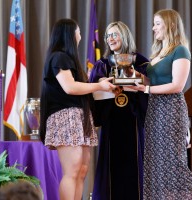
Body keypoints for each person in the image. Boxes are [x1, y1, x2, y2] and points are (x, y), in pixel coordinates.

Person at [39, 18, 116, 200]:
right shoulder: (59, 57)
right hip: (65, 116)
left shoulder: (68, 59)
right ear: (70, 34)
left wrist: (98, 83)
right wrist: (99, 87)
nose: (81, 36)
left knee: (82, 170)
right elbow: (70, 87)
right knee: (72, 170)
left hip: (79, 116)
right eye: (79, 31)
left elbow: (79, 86)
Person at [129, 9, 192, 199]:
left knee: (173, 162)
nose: (153, 28)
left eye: (157, 23)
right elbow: (152, 81)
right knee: (155, 161)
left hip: (171, 110)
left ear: (171, 25)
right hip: (155, 110)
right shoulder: (158, 52)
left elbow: (177, 85)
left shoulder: (180, 50)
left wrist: (146, 90)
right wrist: (133, 76)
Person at [89, 21, 149, 200]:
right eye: (108, 36)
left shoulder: (140, 62)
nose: (110, 38)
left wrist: (136, 80)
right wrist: (105, 85)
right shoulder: (101, 65)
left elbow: (152, 88)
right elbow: (93, 93)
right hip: (111, 122)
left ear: (125, 35)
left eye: (115, 34)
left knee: (135, 168)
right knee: (110, 169)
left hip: (134, 121)